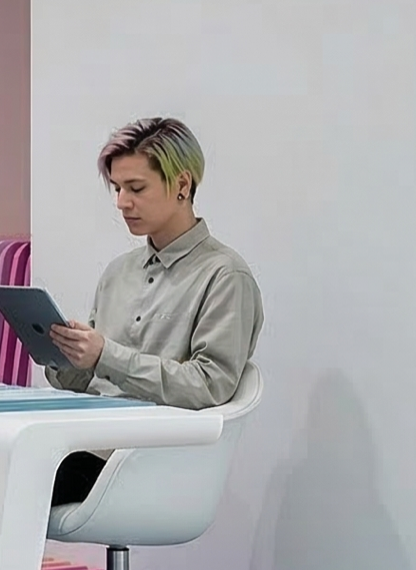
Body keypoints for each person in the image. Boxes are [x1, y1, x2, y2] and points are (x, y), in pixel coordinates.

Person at [45, 116, 264, 503]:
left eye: (136, 188)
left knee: (5, 482)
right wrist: (67, 354)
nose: (122, 203)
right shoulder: (118, 273)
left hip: (146, 460)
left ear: (182, 184)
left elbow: (211, 386)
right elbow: (86, 378)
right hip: (84, 441)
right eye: (116, 188)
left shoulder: (225, 275)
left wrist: (105, 356)